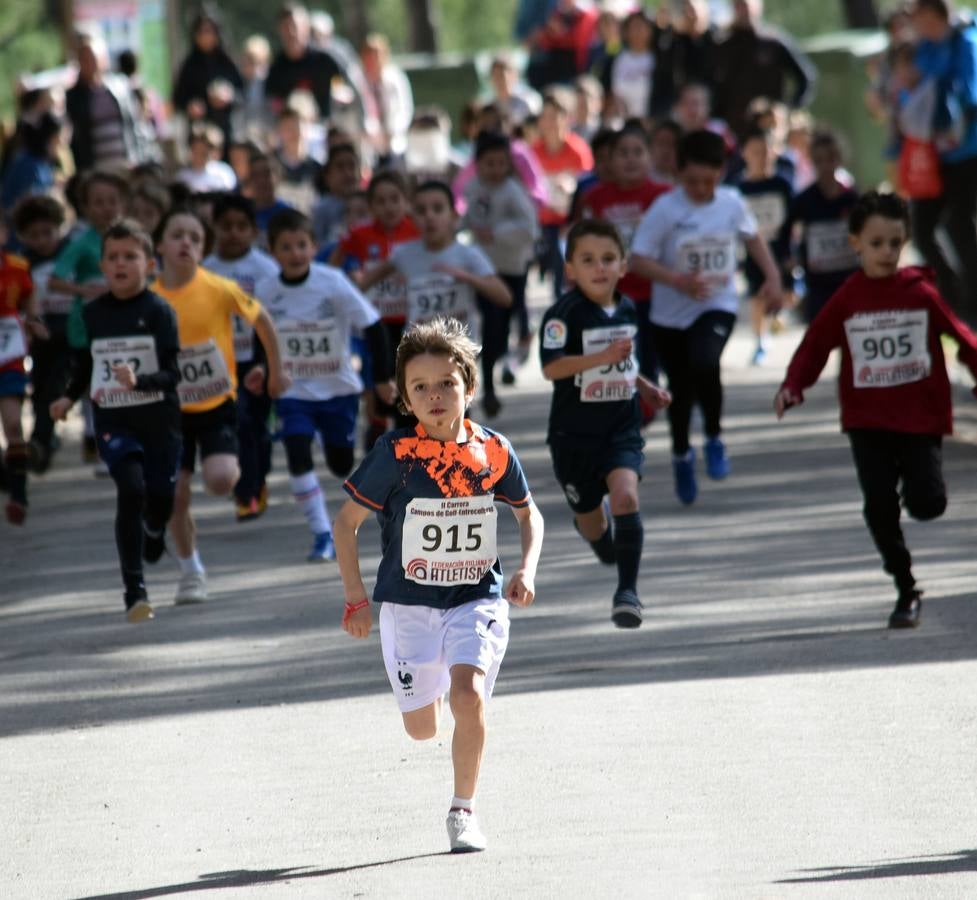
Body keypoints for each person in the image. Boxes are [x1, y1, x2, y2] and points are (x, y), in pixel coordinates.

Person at [335, 316, 544, 854]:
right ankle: (432, 700)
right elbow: (346, 524)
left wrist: (527, 569)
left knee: (468, 695)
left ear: (468, 388)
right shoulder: (396, 455)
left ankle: (463, 811)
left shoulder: (493, 450)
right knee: (422, 730)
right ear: (404, 398)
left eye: (447, 384)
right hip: (407, 606)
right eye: (420, 387)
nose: (435, 396)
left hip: (474, 597)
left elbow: (528, 514)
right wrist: (356, 599)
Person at [775, 191, 977, 628]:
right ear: (855, 244)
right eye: (877, 243)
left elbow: (962, 336)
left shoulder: (919, 291)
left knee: (928, 503)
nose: (887, 252)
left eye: (895, 243)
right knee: (879, 507)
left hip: (919, 417)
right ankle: (906, 589)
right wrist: (794, 385)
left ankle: (917, 490)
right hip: (867, 419)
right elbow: (816, 345)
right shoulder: (849, 297)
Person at [630, 129, 781, 505]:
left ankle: (714, 437)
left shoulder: (731, 202)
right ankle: (682, 454)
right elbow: (637, 259)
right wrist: (676, 280)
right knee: (679, 390)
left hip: (717, 304)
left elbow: (753, 238)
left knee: (705, 360)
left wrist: (774, 277)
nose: (700, 188)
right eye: (692, 181)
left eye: (709, 181)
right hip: (669, 315)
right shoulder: (665, 209)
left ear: (723, 172)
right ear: (678, 173)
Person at [539, 219, 671, 627]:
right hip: (573, 437)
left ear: (624, 265)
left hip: (620, 427)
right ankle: (600, 541)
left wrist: (645, 386)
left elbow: (624, 360)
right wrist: (602, 358)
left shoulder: (628, 307)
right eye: (588, 260)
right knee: (592, 521)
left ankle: (627, 592)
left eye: (608, 259)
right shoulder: (562, 316)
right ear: (570, 269)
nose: (600, 267)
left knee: (626, 498)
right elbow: (551, 368)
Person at [153, 207, 288, 604]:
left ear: (203, 248)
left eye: (195, 238)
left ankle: (232, 473)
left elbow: (263, 320)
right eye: (177, 235)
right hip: (167, 409)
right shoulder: (150, 298)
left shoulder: (219, 287)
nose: (186, 243)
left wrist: (275, 371)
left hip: (215, 403)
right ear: (159, 245)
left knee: (220, 480)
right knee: (176, 494)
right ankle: (191, 570)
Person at [50, 220, 181, 620]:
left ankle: (155, 529)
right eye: (112, 258)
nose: (120, 264)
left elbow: (173, 373)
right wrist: (68, 397)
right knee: (130, 487)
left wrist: (139, 380)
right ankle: (134, 590)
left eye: (130, 256)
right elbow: (85, 363)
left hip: (159, 420)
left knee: (159, 498)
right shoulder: (92, 313)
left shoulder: (159, 310)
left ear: (150, 264)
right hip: (114, 418)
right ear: (103, 267)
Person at [256, 208, 394, 560]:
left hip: (337, 389)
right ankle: (322, 534)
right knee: (297, 453)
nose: (295, 253)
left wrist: (380, 378)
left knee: (339, 463)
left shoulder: (332, 281)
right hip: (293, 391)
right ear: (273, 252)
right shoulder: (266, 289)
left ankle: (327, 437)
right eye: (285, 247)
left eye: (301, 245)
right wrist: (262, 369)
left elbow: (374, 326)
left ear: (313, 246)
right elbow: (261, 335)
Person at [203, 194, 280, 521]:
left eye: (241, 226)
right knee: (239, 423)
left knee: (256, 425)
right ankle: (245, 491)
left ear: (253, 231)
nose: (233, 233)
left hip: (256, 356)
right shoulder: (205, 269)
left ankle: (257, 478)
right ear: (214, 229)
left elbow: (274, 316)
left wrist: (269, 363)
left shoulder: (265, 268)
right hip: (219, 360)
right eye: (226, 226)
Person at [358, 181, 512, 344]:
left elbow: (505, 297)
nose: (429, 216)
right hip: (418, 351)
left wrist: (468, 278)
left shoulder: (468, 254)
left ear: (453, 216)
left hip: (459, 351)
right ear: (413, 218)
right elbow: (362, 284)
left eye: (438, 209)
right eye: (421, 211)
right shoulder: (403, 254)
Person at [330, 170, 420, 446]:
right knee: (376, 374)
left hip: (409, 319)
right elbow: (333, 266)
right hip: (373, 321)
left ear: (406, 201)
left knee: (407, 375)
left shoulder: (416, 230)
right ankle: (378, 422)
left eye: (395, 199)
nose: (388, 207)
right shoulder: (360, 234)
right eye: (380, 201)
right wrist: (349, 278)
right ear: (370, 207)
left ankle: (409, 430)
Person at [580, 124, 671, 387]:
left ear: (650, 156)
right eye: (623, 153)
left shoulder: (663, 195)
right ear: (608, 159)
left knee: (652, 357)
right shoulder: (594, 197)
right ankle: (634, 411)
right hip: (613, 295)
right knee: (622, 360)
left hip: (657, 293)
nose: (630, 159)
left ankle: (650, 403)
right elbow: (580, 244)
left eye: (638, 152)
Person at [49, 170, 128, 468]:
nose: (106, 208)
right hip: (86, 325)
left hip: (123, 323)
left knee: (118, 381)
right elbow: (55, 280)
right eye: (98, 202)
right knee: (91, 381)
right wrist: (84, 289)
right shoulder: (82, 243)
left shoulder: (130, 239)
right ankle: (94, 436)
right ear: (85, 208)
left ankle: (116, 439)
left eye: (112, 201)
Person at [907, 0, 977, 320]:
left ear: (935, 14)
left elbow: (970, 92)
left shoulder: (965, 42)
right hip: (934, 154)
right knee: (922, 229)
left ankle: (971, 304)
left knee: (960, 225)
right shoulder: (924, 48)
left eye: (920, 16)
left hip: (968, 151)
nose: (916, 24)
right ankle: (954, 298)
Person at [461, 131, 539, 415]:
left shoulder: (513, 191)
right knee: (486, 323)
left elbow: (529, 229)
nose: (495, 169)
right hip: (482, 268)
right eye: (488, 163)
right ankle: (483, 385)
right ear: (477, 163)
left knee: (501, 326)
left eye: (500, 163)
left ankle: (493, 373)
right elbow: (464, 217)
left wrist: (495, 233)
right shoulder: (471, 188)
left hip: (510, 268)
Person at [13, 196, 72, 473]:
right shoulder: (24, 263)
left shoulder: (71, 254)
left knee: (55, 387)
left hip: (70, 333)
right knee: (40, 391)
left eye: (48, 232)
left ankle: (40, 440)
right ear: (23, 236)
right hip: (40, 334)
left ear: (60, 227)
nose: (43, 240)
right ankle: (44, 445)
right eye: (34, 235)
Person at [712, 0, 816, 140]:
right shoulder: (723, 45)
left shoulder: (773, 43)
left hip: (770, 127)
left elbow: (806, 78)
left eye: (747, 4)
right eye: (739, 5)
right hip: (734, 128)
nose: (744, 10)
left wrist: (788, 108)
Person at [788, 129, 860, 323]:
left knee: (852, 340)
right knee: (818, 340)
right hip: (818, 284)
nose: (826, 165)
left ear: (840, 159)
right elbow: (784, 231)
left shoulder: (852, 199)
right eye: (819, 160)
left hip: (850, 281)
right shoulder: (804, 200)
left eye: (831, 159)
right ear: (812, 161)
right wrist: (789, 260)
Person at [735, 128, 794, 365]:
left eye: (766, 151)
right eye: (755, 152)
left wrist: (793, 251)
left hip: (779, 249)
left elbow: (792, 220)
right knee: (756, 296)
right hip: (752, 253)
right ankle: (760, 340)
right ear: (745, 154)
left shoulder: (782, 184)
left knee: (788, 293)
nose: (761, 157)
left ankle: (777, 316)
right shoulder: (739, 188)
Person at [532, 89, 595, 300]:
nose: (549, 122)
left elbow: (588, 187)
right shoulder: (533, 152)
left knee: (563, 269)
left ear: (566, 118)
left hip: (569, 222)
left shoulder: (578, 150)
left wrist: (570, 186)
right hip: (541, 220)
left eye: (555, 116)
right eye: (545, 117)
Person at [0, 241, 41, 524]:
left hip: (9, 354)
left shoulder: (17, 266)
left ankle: (19, 495)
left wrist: (33, 321)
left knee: (13, 423)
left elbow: (28, 296)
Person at [65, 30, 145, 172]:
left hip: (125, 165)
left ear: (102, 59)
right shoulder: (74, 97)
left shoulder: (121, 88)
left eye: (93, 58)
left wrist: (138, 158)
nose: (89, 63)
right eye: (84, 59)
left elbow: (134, 126)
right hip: (96, 170)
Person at [171, 12, 243, 153]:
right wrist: (190, 106)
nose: (205, 36)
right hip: (199, 135)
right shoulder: (189, 65)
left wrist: (228, 97)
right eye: (201, 32)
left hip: (226, 133)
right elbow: (178, 99)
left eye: (209, 31)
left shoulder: (227, 62)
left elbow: (241, 94)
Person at [265, 3, 344, 121]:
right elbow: (272, 100)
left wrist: (338, 90)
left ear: (306, 27)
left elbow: (339, 81)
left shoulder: (324, 61)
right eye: (286, 27)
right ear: (279, 30)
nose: (291, 33)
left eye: (295, 26)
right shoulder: (276, 68)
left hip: (326, 127)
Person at [177, 124, 237, 194]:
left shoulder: (224, 174)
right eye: (195, 150)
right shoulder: (182, 177)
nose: (198, 156)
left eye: (203, 152)